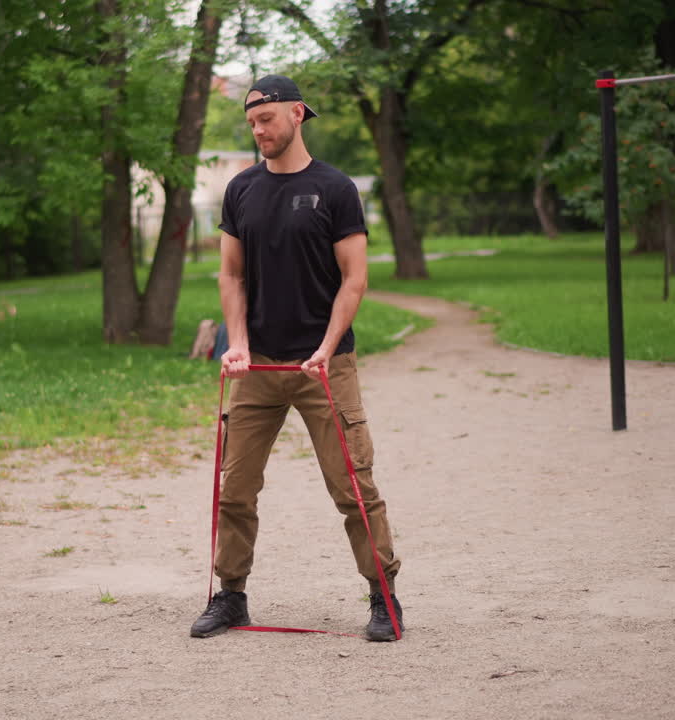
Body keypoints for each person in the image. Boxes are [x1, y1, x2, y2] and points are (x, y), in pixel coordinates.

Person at [189, 75, 403, 642]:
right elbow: (231, 274)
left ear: (298, 114)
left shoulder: (335, 189)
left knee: (353, 487)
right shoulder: (241, 190)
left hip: (323, 368)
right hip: (258, 365)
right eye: (251, 122)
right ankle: (231, 596)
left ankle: (384, 598)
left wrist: (326, 350)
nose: (258, 130)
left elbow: (354, 280)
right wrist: (236, 342)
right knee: (234, 488)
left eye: (267, 119)